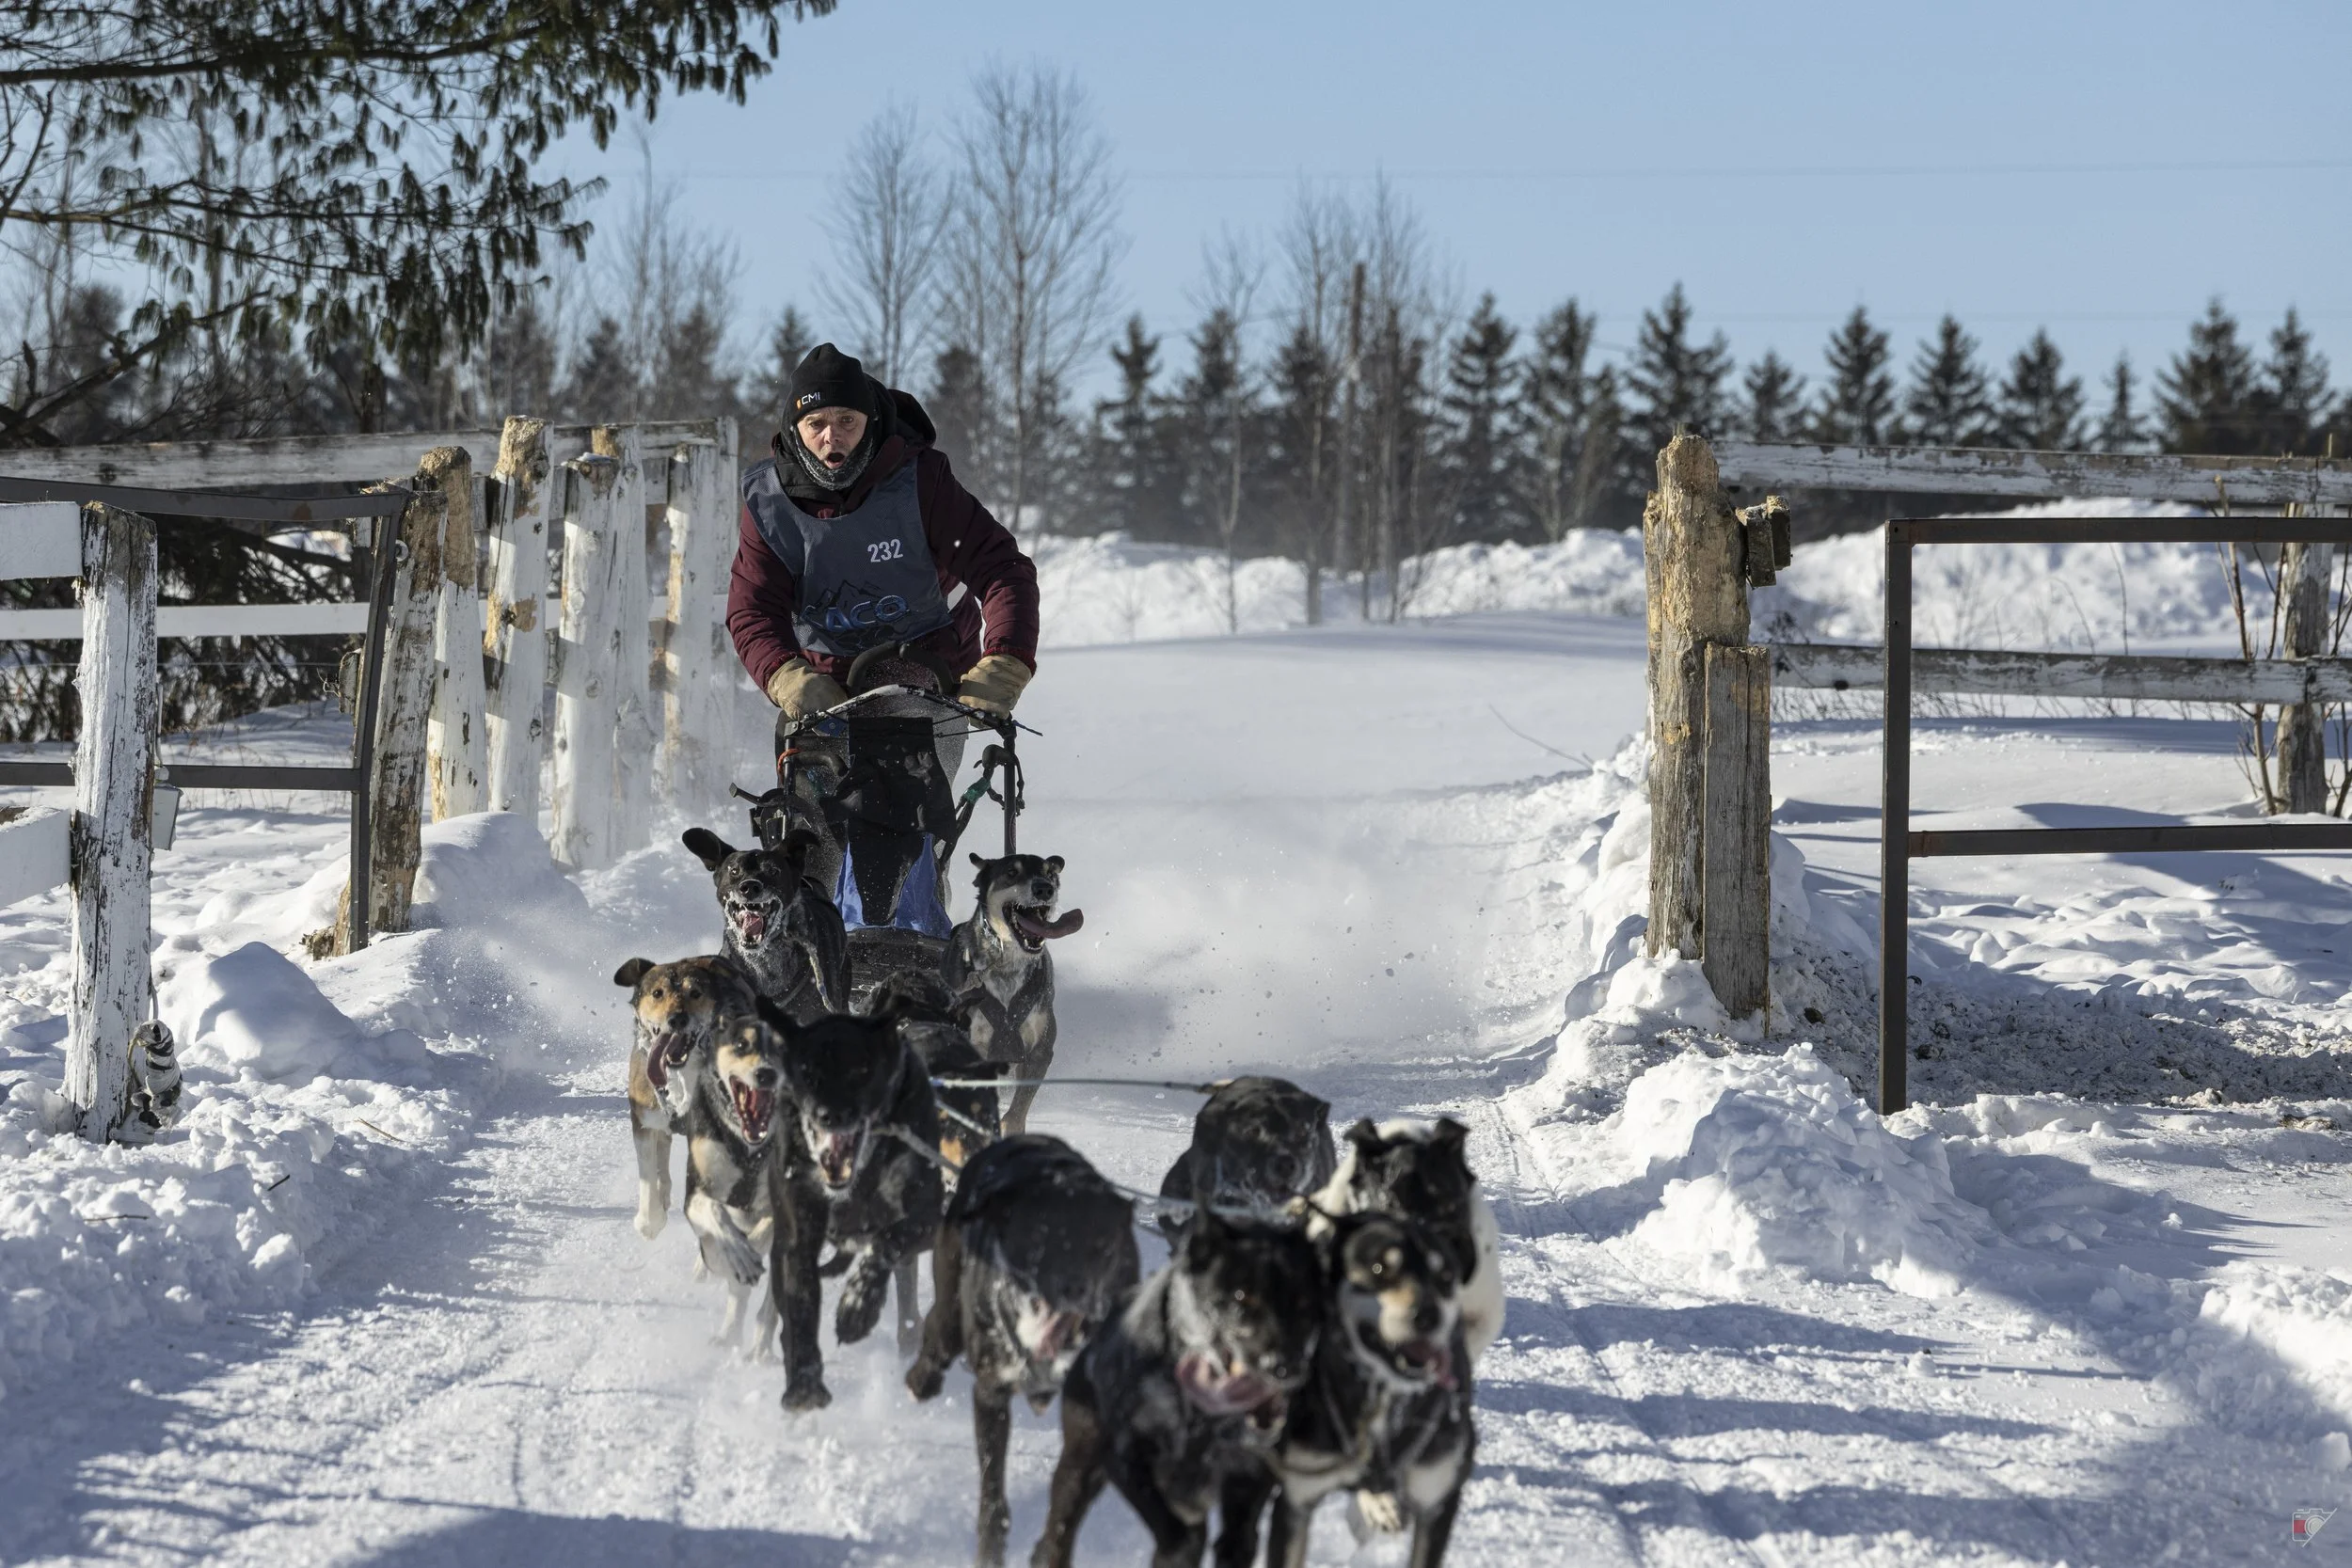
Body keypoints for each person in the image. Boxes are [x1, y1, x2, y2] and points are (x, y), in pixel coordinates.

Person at [728, 342, 1040, 732]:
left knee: (917, 784)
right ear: (795, 429)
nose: (831, 437)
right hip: (828, 686)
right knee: (819, 789)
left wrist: (1006, 660)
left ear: (870, 421)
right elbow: (753, 609)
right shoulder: (769, 505)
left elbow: (1002, 569)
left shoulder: (921, 480)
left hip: (934, 671)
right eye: (816, 423)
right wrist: (784, 675)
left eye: (846, 421)